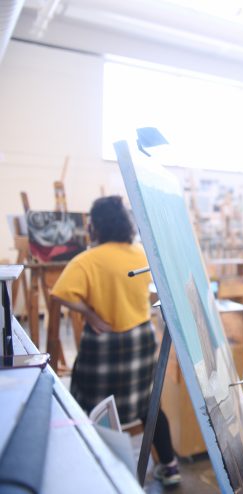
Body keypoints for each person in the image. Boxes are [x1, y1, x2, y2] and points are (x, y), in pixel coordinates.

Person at [51, 196, 181, 487]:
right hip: (141, 340)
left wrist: (90, 315)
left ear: (94, 225)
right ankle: (170, 467)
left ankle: (98, 471)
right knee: (149, 405)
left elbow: (58, 294)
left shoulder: (87, 259)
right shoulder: (140, 254)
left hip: (103, 343)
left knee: (89, 405)